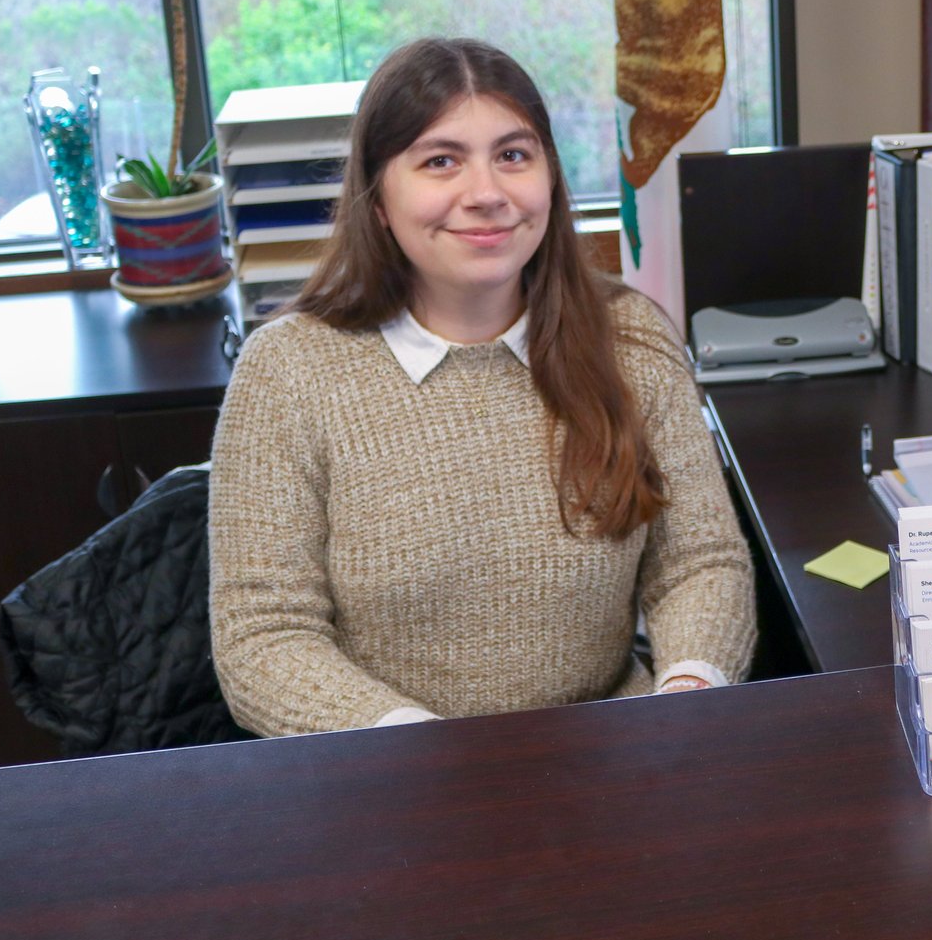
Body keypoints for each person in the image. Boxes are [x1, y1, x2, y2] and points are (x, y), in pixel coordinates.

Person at [209, 38, 758, 738]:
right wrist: (426, 752)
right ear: (378, 198)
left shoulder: (633, 341)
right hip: (391, 777)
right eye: (441, 160)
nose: (487, 193)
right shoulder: (287, 371)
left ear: (550, 178)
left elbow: (698, 564)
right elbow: (264, 637)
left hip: (612, 757)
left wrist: (687, 695)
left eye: (513, 155)